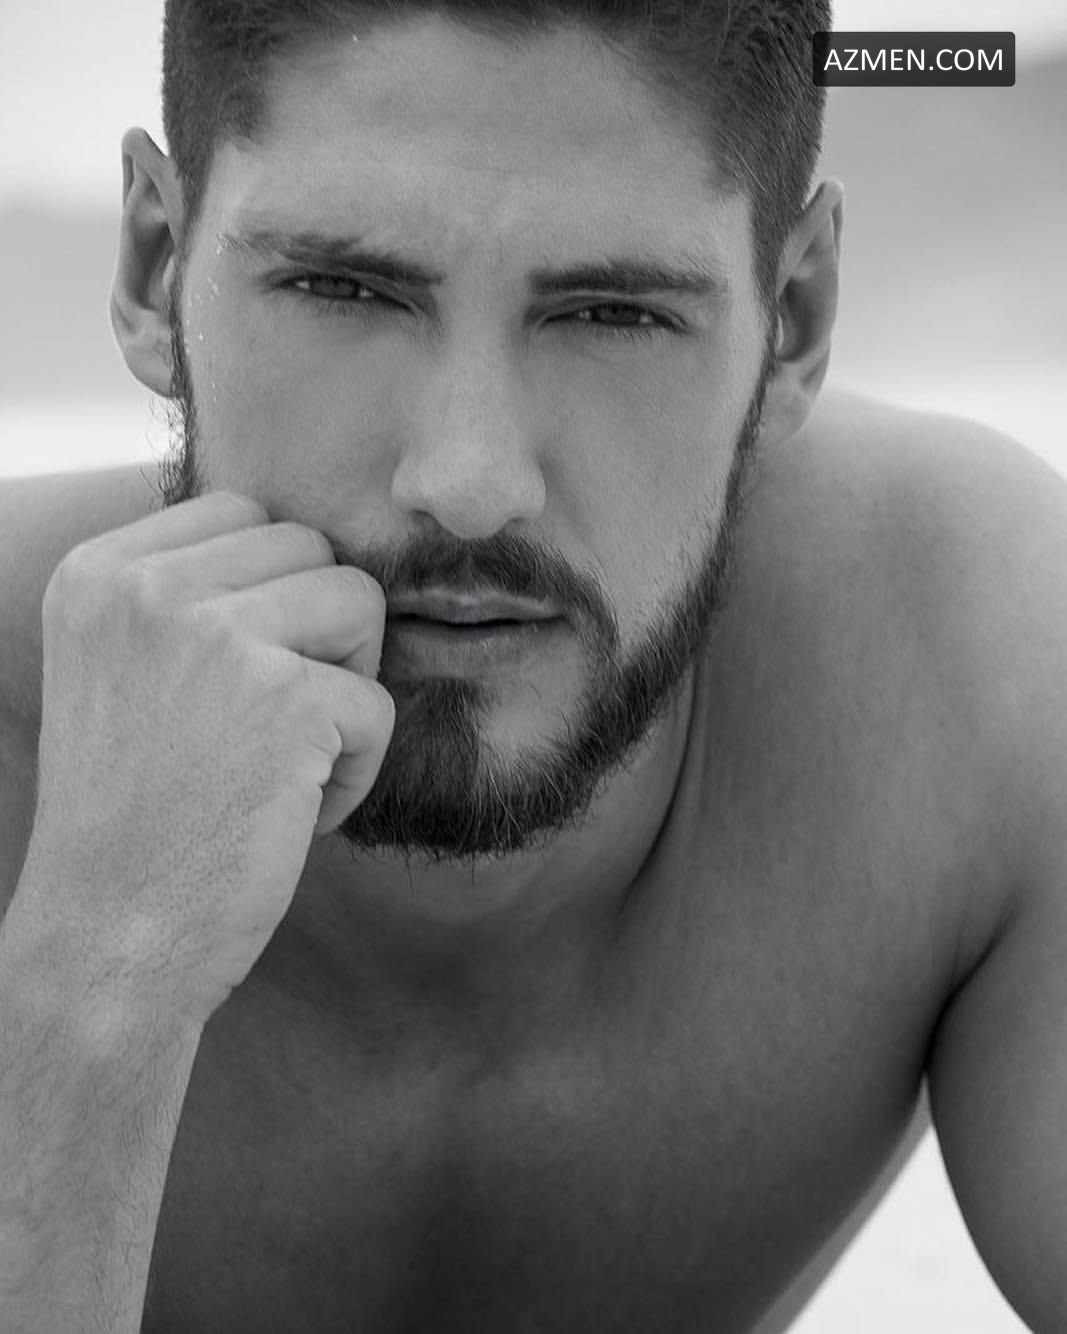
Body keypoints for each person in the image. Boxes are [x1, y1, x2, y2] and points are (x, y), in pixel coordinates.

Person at [0, 1, 1064, 1330]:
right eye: (346, 289)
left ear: (792, 318)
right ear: (158, 265)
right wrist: (96, 976)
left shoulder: (976, 670)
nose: (468, 481)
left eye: (612, 312)